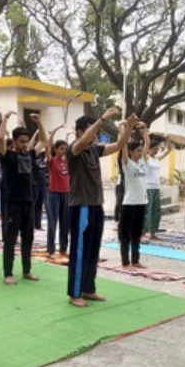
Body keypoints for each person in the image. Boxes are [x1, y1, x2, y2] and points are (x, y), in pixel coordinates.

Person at [67, 106, 121, 307]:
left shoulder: (94, 150)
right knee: (80, 250)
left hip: (96, 205)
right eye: (91, 130)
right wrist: (103, 118)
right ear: (80, 131)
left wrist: (127, 128)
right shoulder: (75, 149)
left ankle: (89, 289)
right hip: (81, 206)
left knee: (93, 250)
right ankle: (75, 293)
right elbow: (82, 142)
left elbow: (119, 145)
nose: (95, 134)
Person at [0, 110, 45, 285]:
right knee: (11, 239)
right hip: (12, 204)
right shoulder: (7, 156)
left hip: (28, 202)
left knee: (28, 237)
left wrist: (39, 123)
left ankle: (26, 270)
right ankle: (8, 273)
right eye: (22, 142)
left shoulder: (30, 155)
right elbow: (0, 140)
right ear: (15, 142)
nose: (25, 145)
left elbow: (45, 142)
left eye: (26, 141)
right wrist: (4, 120)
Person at [118, 115, 149, 269]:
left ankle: (135, 260)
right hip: (129, 203)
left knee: (137, 234)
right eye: (137, 150)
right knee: (126, 235)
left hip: (141, 202)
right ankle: (125, 261)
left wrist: (145, 131)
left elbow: (147, 144)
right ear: (131, 152)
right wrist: (122, 128)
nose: (139, 152)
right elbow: (122, 146)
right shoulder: (127, 164)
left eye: (140, 150)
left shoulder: (143, 163)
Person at [45, 125, 69, 257]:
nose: (63, 151)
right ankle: (51, 249)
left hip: (66, 193)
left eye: (65, 149)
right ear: (56, 149)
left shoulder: (68, 162)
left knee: (65, 222)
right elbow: (48, 148)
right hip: (54, 194)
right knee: (53, 222)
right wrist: (52, 133)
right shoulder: (52, 161)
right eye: (61, 149)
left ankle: (64, 247)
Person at [143, 137, 172, 241]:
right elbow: (144, 150)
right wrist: (146, 136)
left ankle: (153, 232)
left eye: (157, 149)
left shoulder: (156, 158)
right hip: (148, 187)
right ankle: (143, 232)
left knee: (156, 211)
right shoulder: (145, 158)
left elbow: (168, 150)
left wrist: (168, 138)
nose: (156, 151)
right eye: (154, 149)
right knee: (148, 211)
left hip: (156, 187)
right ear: (149, 149)